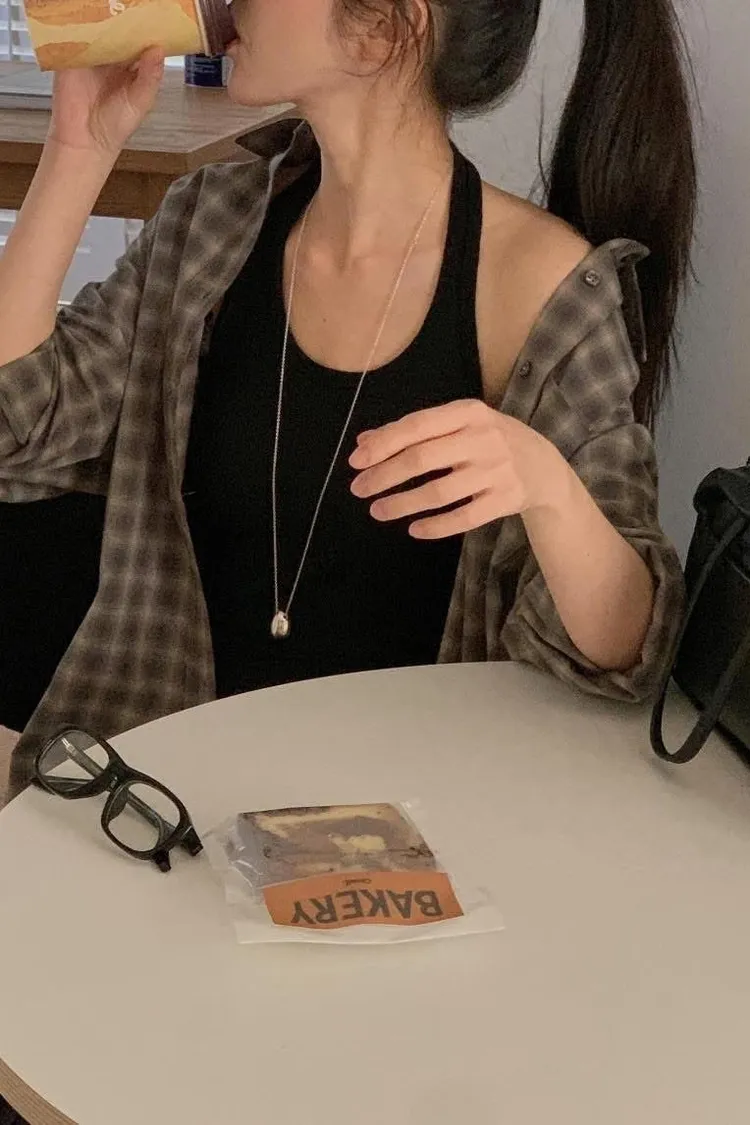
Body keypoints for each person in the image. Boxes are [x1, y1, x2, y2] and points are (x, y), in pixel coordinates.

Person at [0, 0, 697, 803]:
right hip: (170, 807)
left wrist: (547, 487)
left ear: (384, 29)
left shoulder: (541, 289)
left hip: (414, 836)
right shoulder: (208, 227)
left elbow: (627, 652)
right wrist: (78, 150)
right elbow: (18, 426)